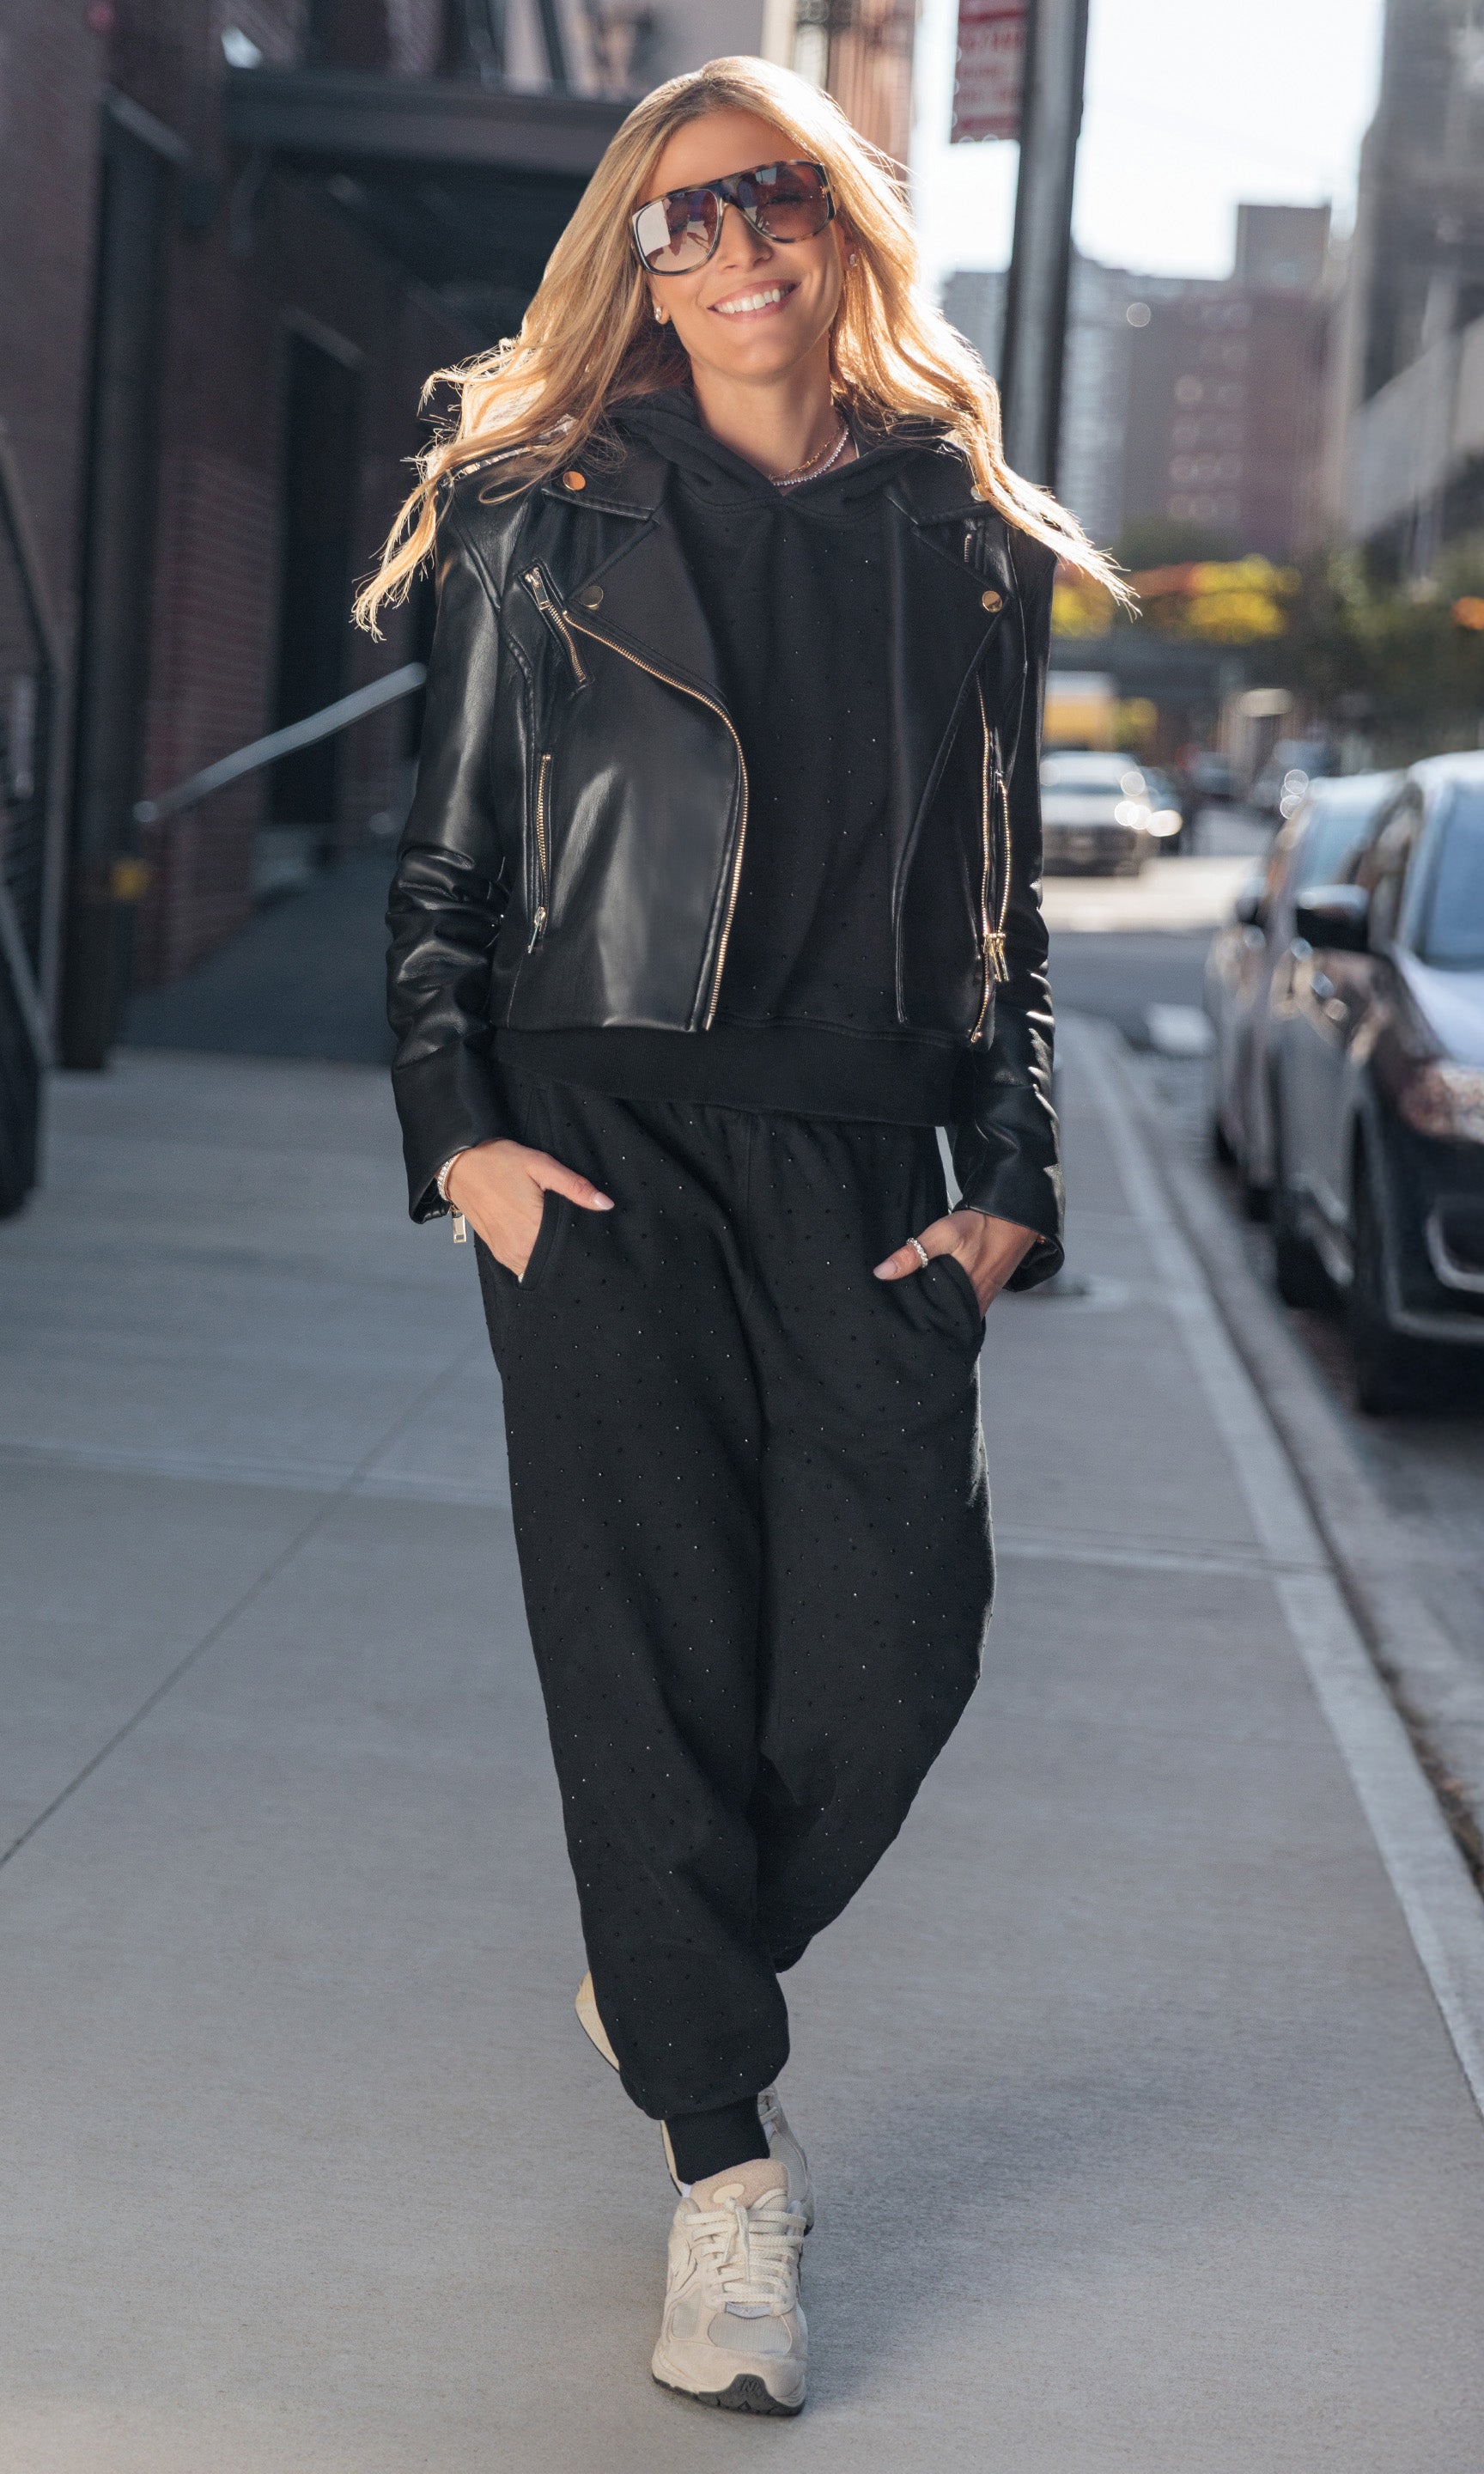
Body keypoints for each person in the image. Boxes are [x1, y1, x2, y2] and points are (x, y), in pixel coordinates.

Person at [362, 53, 1126, 2418]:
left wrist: (1016, 1184)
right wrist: (464, 1143)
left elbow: (1002, 915)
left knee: (901, 1651)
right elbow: (447, 871)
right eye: (678, 220)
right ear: (635, 262)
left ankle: (670, 1972)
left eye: (775, 197)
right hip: (593, 1144)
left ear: (842, 222)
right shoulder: (538, 517)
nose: (734, 249)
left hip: (864, 1163)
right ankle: (726, 2175)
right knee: (652, 1655)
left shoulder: (963, 535)